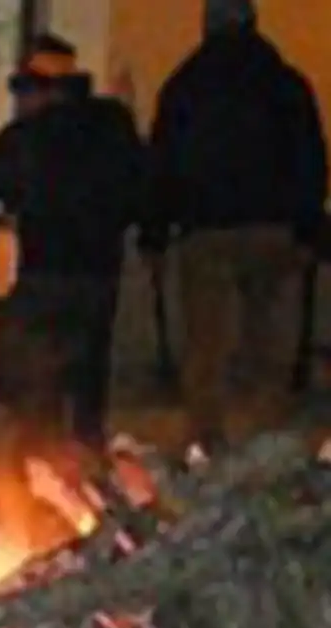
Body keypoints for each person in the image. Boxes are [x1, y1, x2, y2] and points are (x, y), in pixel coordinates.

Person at [140, 0, 327, 447]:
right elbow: (311, 159)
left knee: (207, 349)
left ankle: (209, 441)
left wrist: (154, 231)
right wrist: (307, 226)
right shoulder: (286, 84)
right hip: (275, 232)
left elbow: (163, 164)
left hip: (207, 232)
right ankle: (265, 443)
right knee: (271, 350)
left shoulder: (186, 87)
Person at [0, 36, 145, 457]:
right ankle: (88, 461)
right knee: (88, 376)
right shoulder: (113, 127)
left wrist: (4, 219)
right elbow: (141, 188)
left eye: (24, 91)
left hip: (44, 273)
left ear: (42, 91)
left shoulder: (22, 137)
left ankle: (38, 472)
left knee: (38, 380)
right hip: (99, 272)